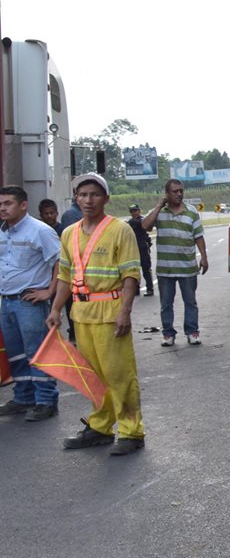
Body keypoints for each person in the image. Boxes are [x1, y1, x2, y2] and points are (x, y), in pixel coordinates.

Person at [46, 173, 145, 454]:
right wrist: (55, 310)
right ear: (76, 198)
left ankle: (131, 432)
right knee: (92, 376)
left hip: (111, 312)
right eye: (83, 195)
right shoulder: (69, 233)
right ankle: (100, 427)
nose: (88, 200)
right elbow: (65, 275)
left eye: (95, 195)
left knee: (119, 375)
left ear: (106, 199)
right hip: (81, 313)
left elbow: (130, 275)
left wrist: (125, 312)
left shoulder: (119, 230)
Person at [0, 186, 61, 421]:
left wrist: (49, 291)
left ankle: (46, 400)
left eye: (8, 203)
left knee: (38, 352)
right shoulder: (3, 232)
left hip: (29, 303)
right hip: (7, 301)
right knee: (16, 354)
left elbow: (60, 262)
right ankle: (24, 397)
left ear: (23, 205)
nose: (3, 208)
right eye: (1, 204)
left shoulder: (40, 231)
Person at [141, 179, 207, 346]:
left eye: (181, 191)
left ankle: (192, 331)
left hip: (188, 268)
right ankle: (168, 334)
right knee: (166, 304)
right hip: (166, 269)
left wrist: (204, 258)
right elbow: (145, 226)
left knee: (190, 302)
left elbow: (199, 236)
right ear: (167, 194)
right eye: (175, 191)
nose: (179, 194)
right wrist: (158, 207)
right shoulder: (159, 212)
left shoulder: (191, 212)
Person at [127, 204, 154, 296]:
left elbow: (145, 225)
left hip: (142, 247)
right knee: (134, 270)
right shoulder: (130, 222)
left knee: (146, 269)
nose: (134, 213)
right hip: (133, 248)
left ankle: (150, 288)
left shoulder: (142, 220)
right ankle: (136, 289)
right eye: (132, 211)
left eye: (135, 210)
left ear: (139, 211)